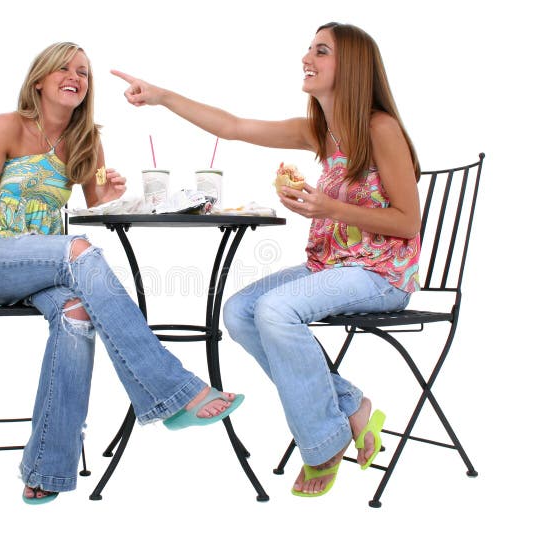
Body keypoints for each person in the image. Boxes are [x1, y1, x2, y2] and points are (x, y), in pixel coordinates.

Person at [0, 42, 244, 505]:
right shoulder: (7, 126)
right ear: (40, 80)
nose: (76, 76)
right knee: (78, 250)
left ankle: (47, 468)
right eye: (64, 69)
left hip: (48, 269)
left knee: (76, 314)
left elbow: (96, 210)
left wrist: (107, 191)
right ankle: (173, 390)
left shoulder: (86, 138)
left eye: (84, 72)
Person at [112, 22, 421, 497]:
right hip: (333, 267)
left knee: (278, 310)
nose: (307, 58)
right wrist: (161, 96)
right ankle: (350, 405)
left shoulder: (380, 128)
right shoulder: (321, 131)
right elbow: (232, 127)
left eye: (321, 51)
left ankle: (322, 443)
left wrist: (329, 208)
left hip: (382, 274)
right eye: (309, 49)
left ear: (353, 67)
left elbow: (408, 223)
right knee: (239, 310)